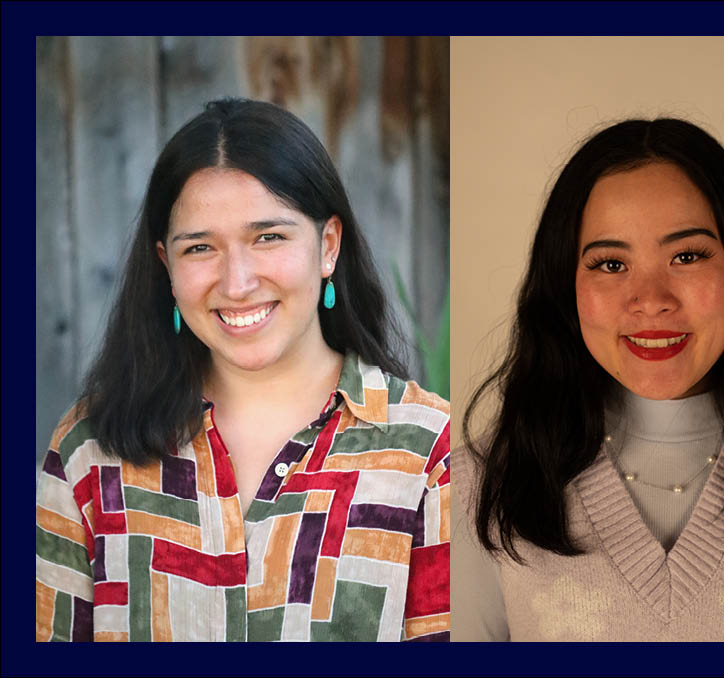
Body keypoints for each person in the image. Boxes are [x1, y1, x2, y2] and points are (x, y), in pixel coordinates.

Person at [36, 98, 450, 642]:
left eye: (268, 237)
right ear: (167, 266)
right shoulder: (89, 450)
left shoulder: (429, 454)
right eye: (200, 247)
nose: (236, 283)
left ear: (327, 246)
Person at [451, 118, 724, 641]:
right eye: (609, 264)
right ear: (565, 288)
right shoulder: (474, 492)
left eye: (687, 256)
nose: (650, 298)